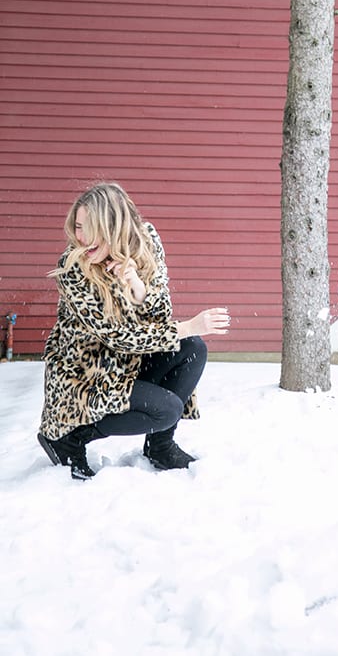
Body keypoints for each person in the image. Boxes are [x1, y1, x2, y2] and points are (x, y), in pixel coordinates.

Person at [38, 182, 230, 480]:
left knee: (192, 348)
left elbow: (160, 315)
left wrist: (138, 288)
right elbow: (118, 337)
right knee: (166, 410)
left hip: (129, 363)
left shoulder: (147, 241)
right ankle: (71, 437)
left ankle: (160, 446)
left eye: (92, 228)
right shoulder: (73, 268)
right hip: (85, 377)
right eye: (78, 227)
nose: (82, 237)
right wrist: (190, 324)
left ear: (115, 227)